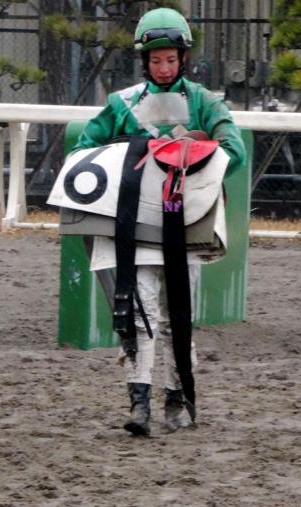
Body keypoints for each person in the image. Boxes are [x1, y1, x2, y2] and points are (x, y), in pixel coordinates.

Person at [71, 7, 245, 436]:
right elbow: (83, 150)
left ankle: (175, 397)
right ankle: (139, 402)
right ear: (144, 61)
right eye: (155, 60)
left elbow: (234, 151)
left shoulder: (206, 102)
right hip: (135, 223)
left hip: (188, 222)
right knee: (141, 307)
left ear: (183, 58)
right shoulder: (120, 104)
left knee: (177, 312)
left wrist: (191, 150)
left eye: (170, 59)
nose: (164, 68)